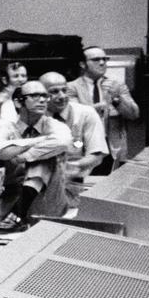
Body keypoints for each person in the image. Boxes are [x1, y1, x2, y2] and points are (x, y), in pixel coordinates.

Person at [0, 80, 74, 231]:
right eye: (35, 96)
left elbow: (63, 141)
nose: (42, 100)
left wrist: (22, 156)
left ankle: (18, 213)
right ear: (18, 102)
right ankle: (17, 213)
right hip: (11, 196)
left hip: (49, 201)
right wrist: (37, 141)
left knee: (42, 160)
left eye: (44, 96)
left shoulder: (54, 125)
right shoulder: (7, 128)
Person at [67, 46, 139, 173]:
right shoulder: (71, 87)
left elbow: (134, 114)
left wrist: (117, 99)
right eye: (96, 59)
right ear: (83, 64)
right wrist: (99, 106)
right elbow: (74, 116)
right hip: (83, 148)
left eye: (105, 59)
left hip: (112, 149)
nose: (102, 63)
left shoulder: (116, 85)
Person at [41, 71, 108, 207]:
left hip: (74, 185)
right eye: (54, 92)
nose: (62, 96)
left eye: (64, 90)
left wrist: (74, 166)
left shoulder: (86, 113)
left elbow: (97, 154)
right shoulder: (34, 116)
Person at [0, 61, 28, 127]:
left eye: (23, 76)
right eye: (16, 76)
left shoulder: (24, 97)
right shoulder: (2, 101)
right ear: (5, 80)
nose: (21, 79)